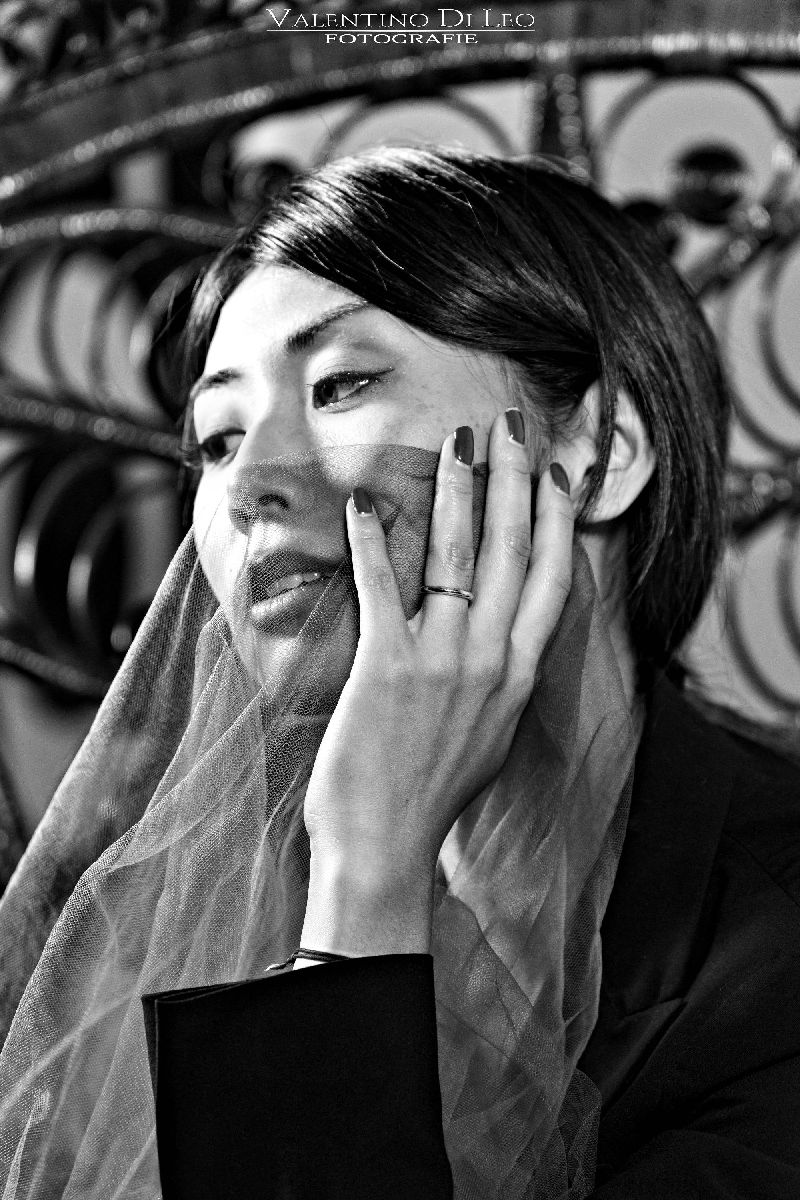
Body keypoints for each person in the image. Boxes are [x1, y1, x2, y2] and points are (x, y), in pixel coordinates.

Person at [0, 147, 798, 1200]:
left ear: (597, 456)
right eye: (217, 438)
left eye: (340, 384)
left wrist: (369, 875)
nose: (247, 484)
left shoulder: (772, 954)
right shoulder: (153, 936)